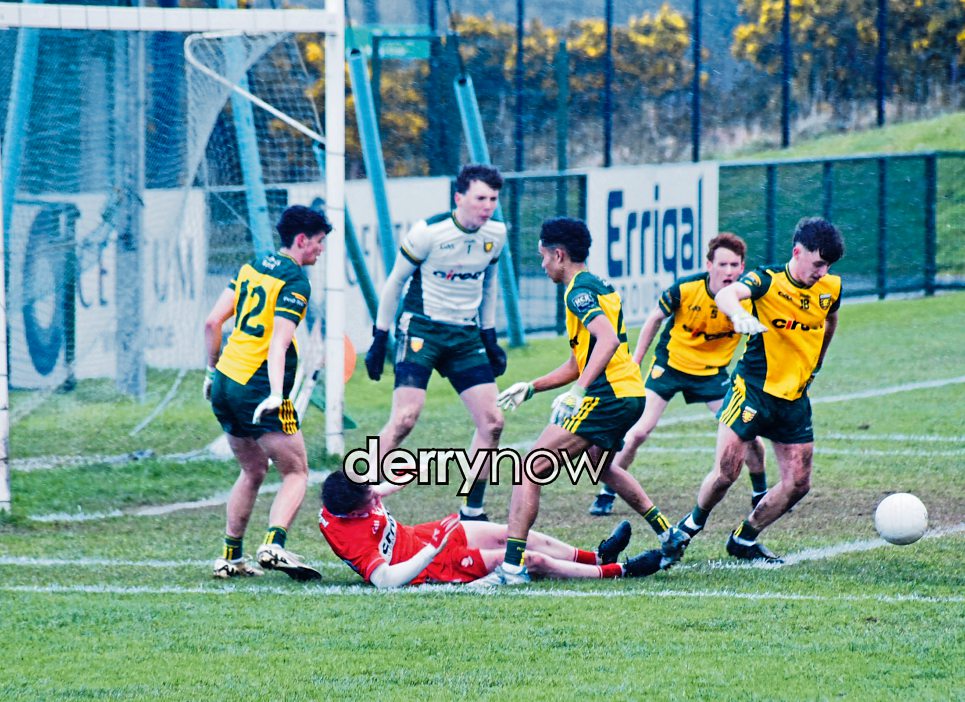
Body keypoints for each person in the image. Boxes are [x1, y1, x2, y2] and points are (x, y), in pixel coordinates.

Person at [476, 217, 687, 586]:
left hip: (608, 396)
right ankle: (668, 533)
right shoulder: (596, 286)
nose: (542, 264)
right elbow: (579, 362)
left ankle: (511, 569)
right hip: (628, 394)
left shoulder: (578, 292)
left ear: (559, 255)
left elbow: (606, 341)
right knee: (598, 465)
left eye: (544, 256)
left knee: (529, 469)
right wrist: (532, 387)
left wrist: (578, 393)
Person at [676, 217, 845, 562]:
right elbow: (727, 293)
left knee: (799, 483)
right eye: (818, 263)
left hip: (794, 397)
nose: (822, 272)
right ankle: (689, 527)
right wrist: (739, 315)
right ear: (797, 252)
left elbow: (830, 318)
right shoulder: (767, 280)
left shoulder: (831, 287)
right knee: (726, 473)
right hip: (752, 390)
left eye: (828, 265)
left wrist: (818, 360)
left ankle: (745, 538)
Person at [364, 164, 508, 521]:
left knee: (492, 422)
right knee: (404, 419)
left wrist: (489, 336)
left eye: (493, 199)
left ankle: (471, 510)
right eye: (480, 198)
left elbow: (489, 284)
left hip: (465, 335)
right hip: (422, 330)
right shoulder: (428, 232)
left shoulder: (497, 233)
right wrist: (380, 337)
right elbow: (395, 282)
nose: (488, 206)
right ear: (459, 198)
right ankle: (356, 497)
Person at [588, 233, 769, 516]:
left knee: (749, 436)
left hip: (712, 374)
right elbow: (654, 319)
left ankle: (760, 493)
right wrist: (635, 362)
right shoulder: (686, 289)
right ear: (709, 265)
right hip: (670, 367)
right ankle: (607, 492)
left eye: (734, 265)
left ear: (742, 267)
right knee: (637, 432)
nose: (729, 271)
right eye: (722, 264)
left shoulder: (747, 299)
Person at [205, 205, 332, 580]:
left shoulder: (251, 267)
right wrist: (277, 394)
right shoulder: (295, 280)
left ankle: (230, 557)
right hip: (258, 387)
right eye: (319, 242)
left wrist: (210, 371)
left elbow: (212, 322)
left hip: (225, 381)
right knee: (297, 471)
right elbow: (279, 343)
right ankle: (273, 545)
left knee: (253, 469)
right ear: (301, 240)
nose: (321, 249)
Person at [319, 470, 666, 587]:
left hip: (424, 535)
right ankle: (620, 571)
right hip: (430, 564)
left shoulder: (347, 494)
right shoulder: (350, 538)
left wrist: (398, 479)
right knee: (526, 560)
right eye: (370, 500)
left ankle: (598, 556)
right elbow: (385, 581)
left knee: (513, 534)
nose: (376, 499)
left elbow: (373, 492)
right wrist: (432, 550)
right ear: (352, 514)